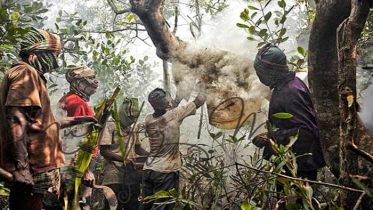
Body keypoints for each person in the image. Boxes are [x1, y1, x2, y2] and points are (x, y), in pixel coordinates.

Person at [0, 28, 96, 210]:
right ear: (33, 54)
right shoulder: (25, 73)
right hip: (33, 168)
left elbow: (40, 125)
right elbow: (16, 119)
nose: (55, 61)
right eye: (53, 55)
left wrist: (77, 120)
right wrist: (22, 169)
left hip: (37, 169)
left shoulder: (32, 76)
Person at [252, 43, 326, 182]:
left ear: (271, 71)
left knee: (295, 203)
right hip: (292, 161)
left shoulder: (291, 91)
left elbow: (306, 132)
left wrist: (271, 137)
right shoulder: (286, 85)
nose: (259, 76)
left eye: (260, 72)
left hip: (300, 166)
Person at [142, 86, 206, 210]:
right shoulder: (175, 115)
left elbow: (168, 111)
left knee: (146, 206)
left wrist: (177, 99)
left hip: (149, 169)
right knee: (163, 207)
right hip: (165, 171)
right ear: (168, 103)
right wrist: (205, 83)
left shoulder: (148, 119)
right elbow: (199, 101)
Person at [59, 66, 99, 209]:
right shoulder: (77, 103)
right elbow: (74, 138)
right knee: (81, 202)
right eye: (90, 79)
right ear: (79, 82)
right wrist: (86, 170)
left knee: (69, 201)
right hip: (80, 161)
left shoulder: (67, 99)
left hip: (70, 161)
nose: (95, 82)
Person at [100, 98, 149, 210]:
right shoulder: (110, 124)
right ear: (123, 114)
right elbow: (104, 151)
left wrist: (152, 155)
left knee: (132, 205)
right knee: (113, 206)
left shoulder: (134, 127)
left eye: (135, 117)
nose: (133, 120)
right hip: (113, 172)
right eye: (131, 117)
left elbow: (138, 149)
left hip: (131, 172)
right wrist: (122, 159)